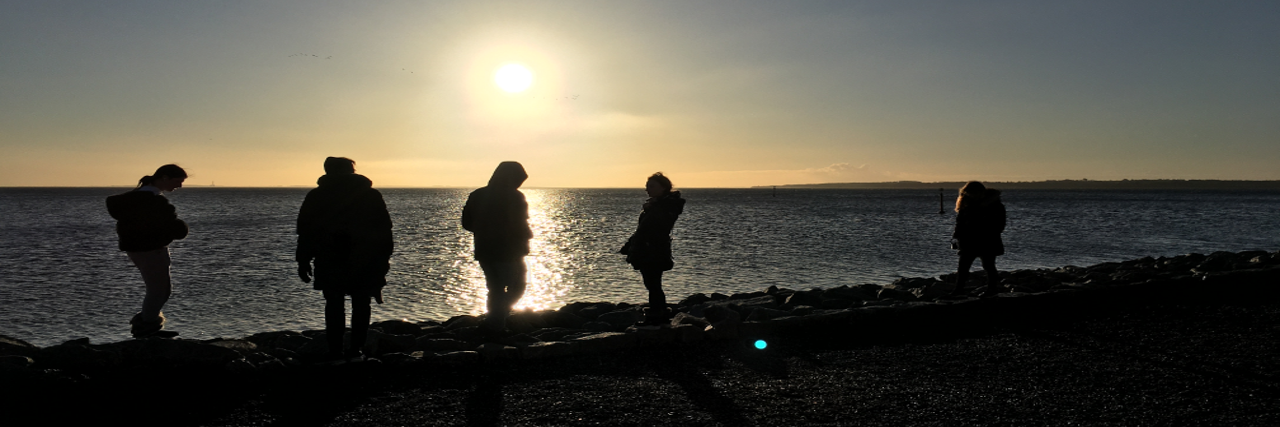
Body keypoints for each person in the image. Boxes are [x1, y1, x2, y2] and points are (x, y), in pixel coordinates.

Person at [296, 157, 393, 362]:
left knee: (334, 304)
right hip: (364, 258)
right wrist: (383, 260)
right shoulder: (370, 195)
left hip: (330, 258)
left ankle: (335, 350)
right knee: (361, 303)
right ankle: (356, 349)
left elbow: (305, 232)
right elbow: (385, 231)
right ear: (352, 171)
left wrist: (303, 260)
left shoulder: (317, 196)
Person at [105, 164, 190, 338]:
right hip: (151, 250)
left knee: (160, 289)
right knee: (159, 290)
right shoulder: (155, 202)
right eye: (178, 181)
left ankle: (146, 322)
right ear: (164, 178)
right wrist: (178, 227)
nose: (179, 186)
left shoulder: (131, 199)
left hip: (136, 250)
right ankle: (147, 327)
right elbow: (177, 230)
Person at [461, 161, 533, 334]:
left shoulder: (477, 195)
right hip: (510, 250)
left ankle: (495, 319)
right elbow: (520, 223)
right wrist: (524, 238)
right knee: (518, 285)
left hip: (484, 249)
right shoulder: (515, 197)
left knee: (495, 287)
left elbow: (467, 223)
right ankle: (495, 320)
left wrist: (484, 231)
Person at [620, 172, 685, 326]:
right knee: (652, 283)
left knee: (653, 283)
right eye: (647, 186)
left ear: (663, 188)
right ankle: (658, 313)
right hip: (648, 248)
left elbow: (656, 227)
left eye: (652, 186)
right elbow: (643, 229)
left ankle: (657, 315)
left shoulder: (667, 206)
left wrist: (651, 208)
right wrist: (630, 246)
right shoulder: (659, 205)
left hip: (654, 250)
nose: (647, 189)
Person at [950, 181, 1007, 297]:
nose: (972, 195)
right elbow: (960, 222)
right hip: (969, 241)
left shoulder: (994, 205)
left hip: (987, 240)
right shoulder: (967, 204)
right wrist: (956, 236)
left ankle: (991, 289)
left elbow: (1000, 224)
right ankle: (958, 290)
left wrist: (986, 231)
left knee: (988, 266)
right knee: (963, 267)